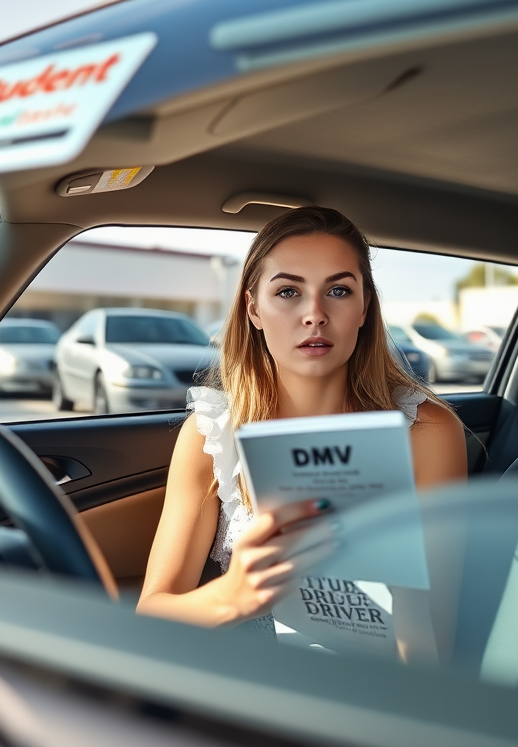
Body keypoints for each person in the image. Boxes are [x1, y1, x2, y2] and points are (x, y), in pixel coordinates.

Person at [136, 207, 467, 636]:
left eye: (339, 291)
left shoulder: (427, 432)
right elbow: (153, 612)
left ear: (365, 308)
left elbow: (438, 630)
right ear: (253, 311)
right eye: (289, 292)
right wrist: (231, 595)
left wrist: (398, 582)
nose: (315, 314)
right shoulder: (211, 434)